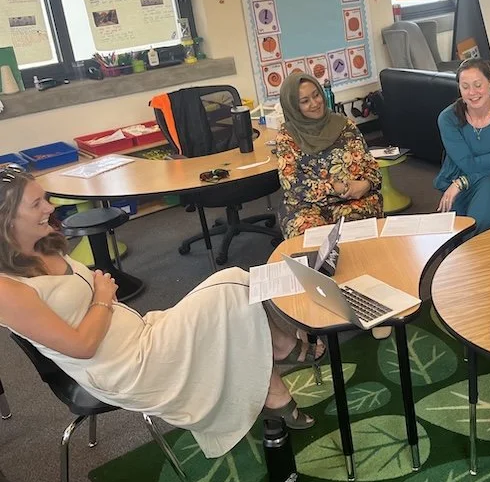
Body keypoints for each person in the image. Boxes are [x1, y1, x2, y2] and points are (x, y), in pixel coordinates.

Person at [0, 166, 326, 459]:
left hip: (142, 333)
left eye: (45, 199)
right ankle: (282, 350)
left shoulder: (41, 244)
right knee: (232, 287)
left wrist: (103, 301)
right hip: (124, 368)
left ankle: (275, 384)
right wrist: (102, 297)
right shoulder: (7, 290)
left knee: (234, 304)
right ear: (5, 221)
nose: (50, 208)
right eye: (36, 204)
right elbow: (81, 348)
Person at [276, 72, 382, 238]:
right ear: (294, 107)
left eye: (316, 95)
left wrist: (366, 185)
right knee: (310, 241)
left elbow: (371, 166)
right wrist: (337, 188)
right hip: (307, 206)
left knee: (357, 239)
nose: (315, 103)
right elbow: (292, 184)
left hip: (354, 200)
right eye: (305, 101)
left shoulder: (344, 125)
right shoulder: (287, 136)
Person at [434, 58, 490, 233]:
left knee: (489, 188)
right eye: (465, 87)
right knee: (484, 196)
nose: (472, 92)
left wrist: (462, 182)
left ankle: (475, 255)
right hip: (458, 186)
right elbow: (467, 164)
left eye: (478, 85)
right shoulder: (447, 118)